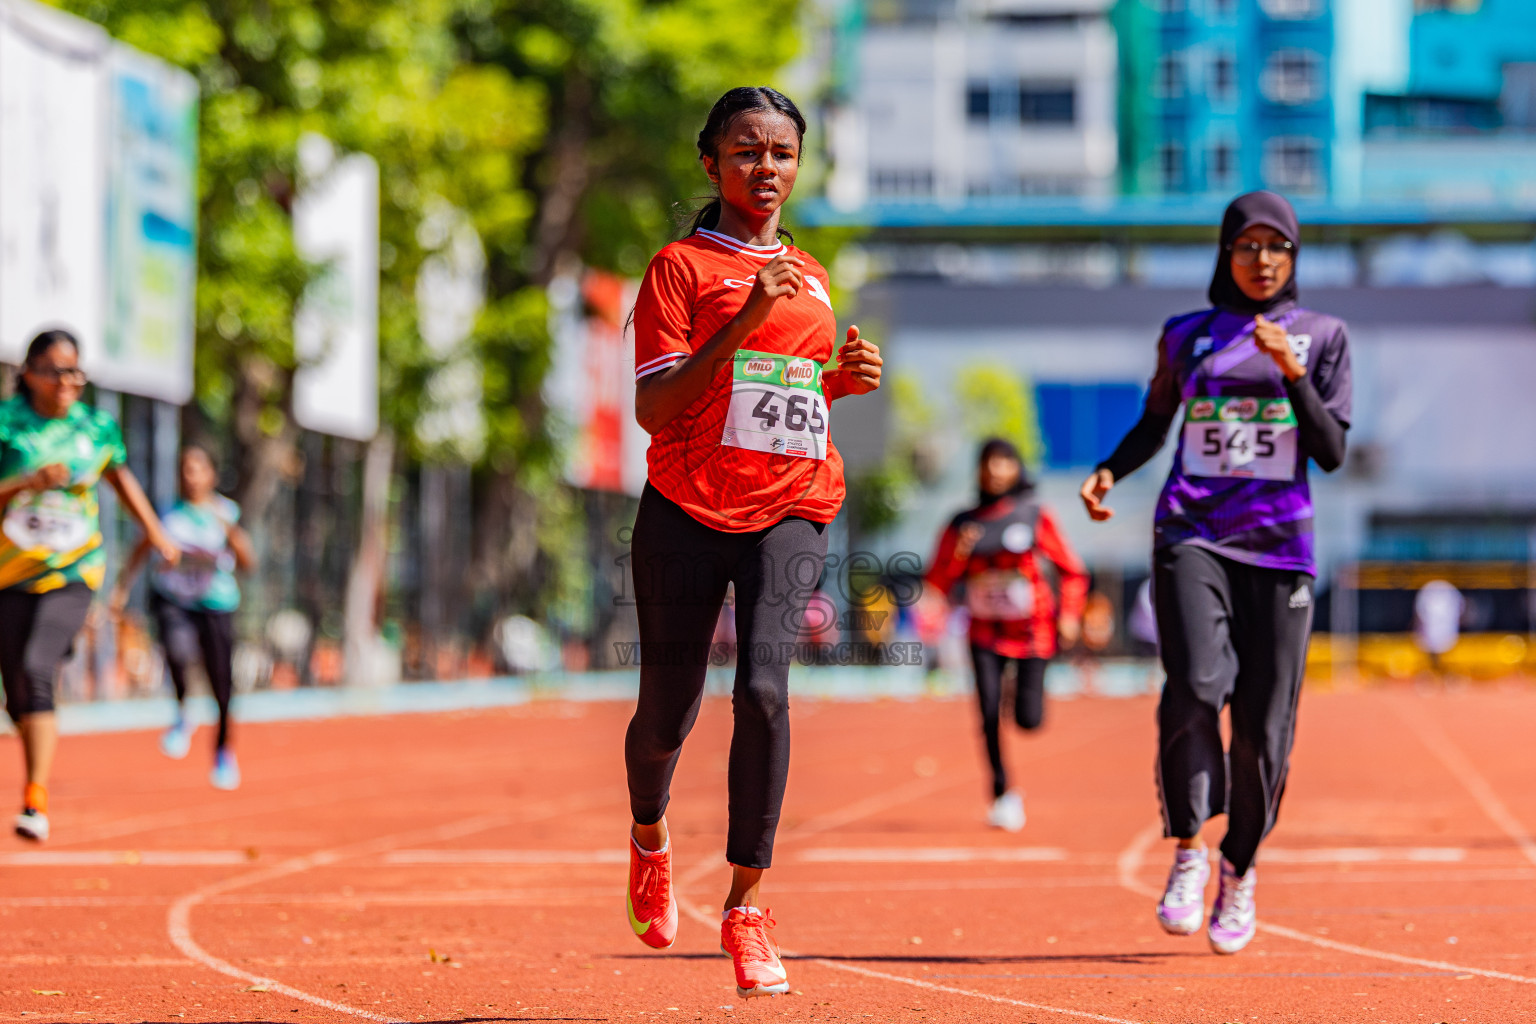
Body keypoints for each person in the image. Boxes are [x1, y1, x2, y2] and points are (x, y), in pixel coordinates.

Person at [623, 86, 882, 997]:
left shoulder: (810, 273)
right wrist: (739, 318)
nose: (764, 167)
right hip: (686, 506)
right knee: (668, 711)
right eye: (745, 151)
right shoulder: (679, 269)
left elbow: (784, 395)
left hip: (792, 501)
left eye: (780, 152)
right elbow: (657, 407)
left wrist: (838, 385)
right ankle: (648, 836)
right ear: (712, 163)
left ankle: (746, 908)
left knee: (766, 690)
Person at [1080, 191, 1351, 955]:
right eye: (1247, 246)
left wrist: (1293, 374)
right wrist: (1108, 471)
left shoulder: (1324, 337)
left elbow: (1331, 452)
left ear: (1294, 259)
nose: (1261, 260)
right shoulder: (1187, 335)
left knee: (1265, 732)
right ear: (1225, 254)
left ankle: (1241, 866)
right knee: (1196, 687)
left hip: (1280, 549)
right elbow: (1156, 423)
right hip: (1193, 535)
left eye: (1278, 247)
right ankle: (1191, 848)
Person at [0, 329, 179, 841]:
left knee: (37, 669)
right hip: (10, 573)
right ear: (30, 373)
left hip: (74, 572)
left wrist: (155, 531)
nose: (67, 381)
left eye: (75, 370)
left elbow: (121, 481)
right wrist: (26, 482)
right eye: (56, 370)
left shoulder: (97, 427)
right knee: (16, 691)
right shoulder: (7, 425)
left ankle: (35, 798)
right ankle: (34, 733)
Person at [926, 438, 1088, 832]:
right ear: (979, 470)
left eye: (1004, 462)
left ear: (1016, 467)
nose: (996, 470)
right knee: (986, 714)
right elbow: (937, 581)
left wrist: (1068, 614)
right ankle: (1002, 793)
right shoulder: (962, 523)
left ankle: (1019, 692)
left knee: (1028, 721)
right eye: (988, 463)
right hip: (983, 631)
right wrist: (959, 555)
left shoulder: (1034, 515)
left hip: (1033, 632)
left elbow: (1072, 570)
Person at [111, 445, 254, 790]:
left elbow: (249, 563)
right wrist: (121, 588)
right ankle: (182, 714)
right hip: (174, 598)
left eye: (198, 469)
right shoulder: (167, 513)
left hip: (216, 602)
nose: (191, 477)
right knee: (176, 651)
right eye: (185, 470)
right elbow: (142, 547)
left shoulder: (226, 513)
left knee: (222, 682)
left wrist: (231, 534)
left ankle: (223, 751)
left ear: (211, 475)